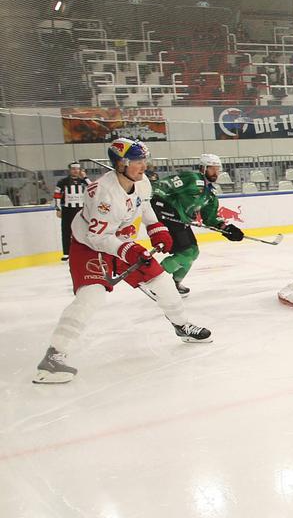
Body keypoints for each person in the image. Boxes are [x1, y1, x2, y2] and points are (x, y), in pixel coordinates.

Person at [33, 139, 211, 384]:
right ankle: (53, 357)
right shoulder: (103, 194)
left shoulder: (142, 181)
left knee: (161, 281)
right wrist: (127, 249)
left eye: (144, 160)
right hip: (90, 247)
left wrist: (156, 228)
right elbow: (97, 237)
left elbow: (144, 205)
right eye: (137, 161)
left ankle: (182, 326)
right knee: (91, 296)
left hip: (121, 243)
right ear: (121, 163)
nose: (143, 166)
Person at [151, 154, 245, 298]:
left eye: (217, 169)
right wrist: (157, 201)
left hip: (180, 221)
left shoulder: (210, 195)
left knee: (193, 252)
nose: (216, 173)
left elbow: (210, 218)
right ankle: (155, 282)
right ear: (203, 168)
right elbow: (162, 185)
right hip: (168, 217)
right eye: (212, 169)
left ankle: (174, 284)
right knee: (186, 252)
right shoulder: (192, 178)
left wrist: (227, 229)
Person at [53, 162, 90, 261]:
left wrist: (85, 177)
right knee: (66, 231)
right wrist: (58, 209)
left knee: (83, 230)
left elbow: (93, 188)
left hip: (81, 210)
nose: (75, 171)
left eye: (77, 169)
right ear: (70, 170)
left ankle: (85, 251)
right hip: (67, 210)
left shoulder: (83, 182)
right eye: (73, 169)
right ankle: (66, 252)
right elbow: (57, 195)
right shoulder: (62, 182)